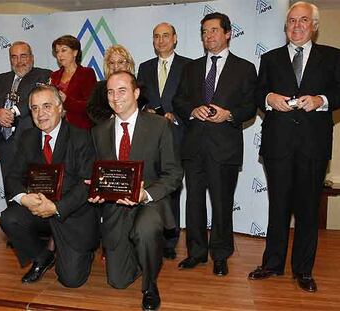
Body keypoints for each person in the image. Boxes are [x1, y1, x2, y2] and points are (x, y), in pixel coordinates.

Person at [248, 2, 340, 293]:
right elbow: (258, 92)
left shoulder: (332, 57)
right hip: (278, 145)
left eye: (303, 20)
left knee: (308, 210)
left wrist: (321, 101)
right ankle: (272, 264)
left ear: (314, 25)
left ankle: (303, 270)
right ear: (285, 25)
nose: (296, 25)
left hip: (313, 146)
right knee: (277, 207)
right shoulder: (270, 58)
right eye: (291, 20)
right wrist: (268, 99)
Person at [89, 71, 183, 311]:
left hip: (149, 202)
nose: (115, 97)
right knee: (118, 282)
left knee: (146, 229)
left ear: (136, 93)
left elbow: (173, 174)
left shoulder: (159, 125)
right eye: (110, 91)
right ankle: (142, 255)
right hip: (115, 208)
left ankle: (150, 285)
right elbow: (100, 173)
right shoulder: (99, 131)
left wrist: (145, 194)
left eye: (121, 90)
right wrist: (96, 188)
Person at [173, 13, 257, 276]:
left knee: (222, 203)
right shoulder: (191, 67)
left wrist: (229, 114)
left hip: (225, 148)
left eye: (213, 30)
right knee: (194, 202)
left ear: (228, 33)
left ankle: (221, 254)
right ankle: (196, 253)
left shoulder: (244, 68)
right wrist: (192, 110)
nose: (208, 36)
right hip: (194, 147)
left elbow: (250, 106)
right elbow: (178, 101)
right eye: (204, 32)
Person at [0, 84, 98, 286]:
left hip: (70, 213)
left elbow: (86, 184)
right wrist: (24, 198)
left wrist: (55, 207)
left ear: (60, 108)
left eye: (46, 106)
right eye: (34, 108)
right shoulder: (28, 138)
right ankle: (42, 256)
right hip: (39, 209)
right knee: (10, 218)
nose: (40, 113)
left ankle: (82, 253)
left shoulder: (81, 136)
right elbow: (12, 177)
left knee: (70, 280)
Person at [137, 22, 191, 260]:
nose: (161, 40)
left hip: (177, 135)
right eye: (156, 36)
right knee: (150, 185)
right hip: (150, 138)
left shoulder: (189, 66)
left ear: (175, 38)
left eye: (166, 36)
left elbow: (191, 99)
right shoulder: (144, 67)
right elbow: (140, 101)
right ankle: (151, 235)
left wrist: (175, 116)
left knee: (172, 188)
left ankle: (170, 240)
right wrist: (146, 110)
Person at [0, 41, 51, 187]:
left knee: (33, 186)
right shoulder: (2, 78)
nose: (19, 61)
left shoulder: (43, 75)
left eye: (23, 56)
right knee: (10, 186)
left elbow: (36, 98)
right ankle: (12, 210)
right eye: (14, 57)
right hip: (6, 143)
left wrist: (12, 112)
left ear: (32, 58)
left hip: (31, 141)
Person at [50, 35, 97, 129]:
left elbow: (91, 105)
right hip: (57, 128)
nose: (59, 55)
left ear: (75, 52)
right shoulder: (54, 75)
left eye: (63, 50)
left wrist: (66, 100)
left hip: (80, 128)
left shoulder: (86, 73)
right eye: (57, 51)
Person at [87, 44, 136, 125]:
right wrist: (111, 119)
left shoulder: (137, 86)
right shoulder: (99, 87)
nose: (116, 66)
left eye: (120, 62)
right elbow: (92, 110)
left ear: (128, 64)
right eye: (112, 63)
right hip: (106, 130)